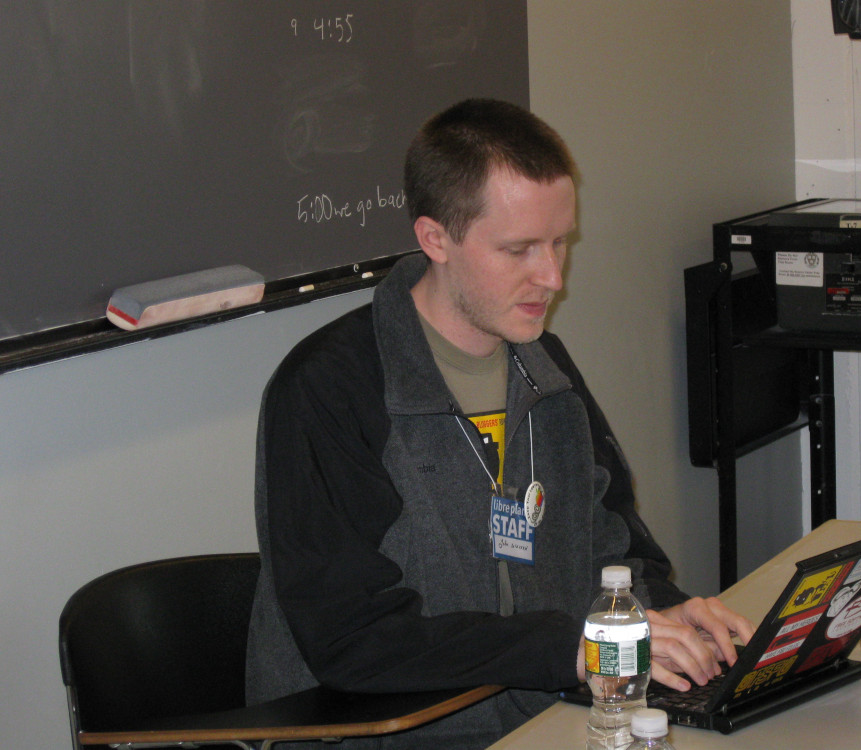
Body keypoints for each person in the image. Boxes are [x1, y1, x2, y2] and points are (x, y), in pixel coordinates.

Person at [246, 98, 754, 749]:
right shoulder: (329, 389)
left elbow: (615, 548)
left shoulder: (545, 371)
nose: (552, 276)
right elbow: (354, 642)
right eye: (518, 250)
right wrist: (569, 650)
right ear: (436, 239)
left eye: (559, 243)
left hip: (545, 717)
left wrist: (657, 610)